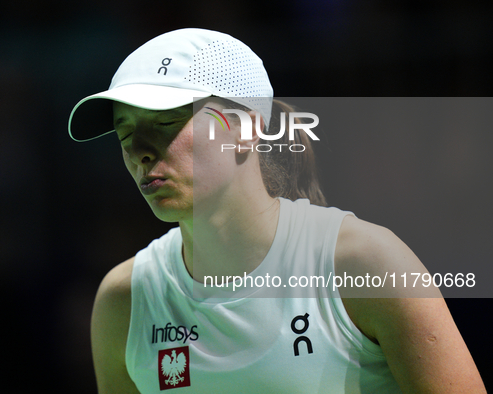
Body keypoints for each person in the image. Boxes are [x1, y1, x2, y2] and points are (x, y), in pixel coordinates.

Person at [68, 28, 486, 393]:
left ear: (248, 128)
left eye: (164, 124)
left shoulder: (364, 262)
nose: (137, 151)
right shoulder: (124, 300)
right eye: (124, 131)